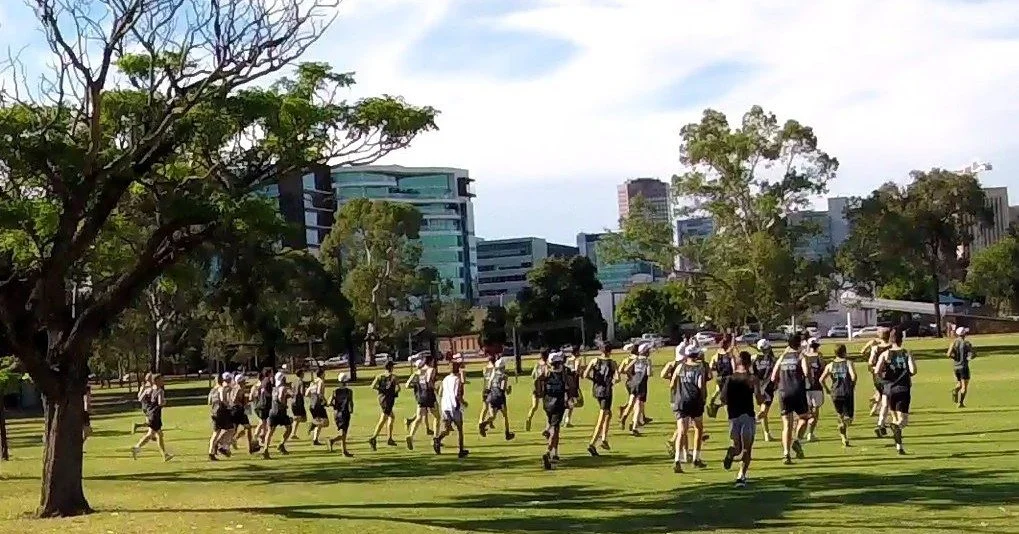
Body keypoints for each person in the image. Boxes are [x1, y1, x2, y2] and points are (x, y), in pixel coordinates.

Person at [720, 351, 764, 487]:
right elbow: (758, 398)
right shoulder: (752, 378)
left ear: (738, 362)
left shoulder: (729, 378)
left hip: (733, 416)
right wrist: (763, 401)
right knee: (747, 449)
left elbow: (723, 398)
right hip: (747, 415)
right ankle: (741, 476)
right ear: (749, 363)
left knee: (737, 448)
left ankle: (731, 453)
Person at [875, 329, 917, 455]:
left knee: (894, 418)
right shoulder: (906, 353)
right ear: (901, 339)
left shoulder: (885, 354)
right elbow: (913, 370)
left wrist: (885, 381)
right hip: (903, 388)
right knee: (902, 421)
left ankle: (899, 446)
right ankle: (896, 429)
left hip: (889, 390)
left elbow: (877, 371)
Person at [769, 333, 808, 465]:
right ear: (799, 344)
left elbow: (773, 377)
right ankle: (797, 440)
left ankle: (786, 454)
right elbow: (807, 372)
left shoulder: (782, 357)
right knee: (804, 417)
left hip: (783, 392)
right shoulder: (800, 356)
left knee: (786, 424)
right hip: (797, 391)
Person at [536, 351, 577, 470]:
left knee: (553, 426)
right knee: (555, 428)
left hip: (547, 402)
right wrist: (570, 398)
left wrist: (540, 392)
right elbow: (571, 386)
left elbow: (538, 380)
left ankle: (555, 453)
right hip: (558, 403)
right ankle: (548, 451)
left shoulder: (546, 372)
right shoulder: (564, 372)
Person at [670, 344, 708, 472]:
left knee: (682, 431)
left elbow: (672, 383)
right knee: (698, 428)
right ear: (696, 355)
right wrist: (703, 399)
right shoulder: (699, 368)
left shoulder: (680, 366)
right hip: (694, 401)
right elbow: (701, 386)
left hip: (681, 401)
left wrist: (677, 394)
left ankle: (677, 460)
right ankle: (696, 458)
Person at [584, 342, 619, 456]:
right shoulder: (612, 363)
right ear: (610, 351)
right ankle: (592, 443)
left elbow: (585, 374)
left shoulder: (594, 361)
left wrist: (594, 380)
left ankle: (604, 439)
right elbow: (617, 378)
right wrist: (611, 382)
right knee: (603, 415)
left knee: (608, 414)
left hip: (596, 390)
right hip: (606, 391)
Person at [820, 344, 856, 447]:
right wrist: (852, 386)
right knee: (849, 418)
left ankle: (843, 436)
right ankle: (843, 424)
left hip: (835, 393)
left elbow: (821, 379)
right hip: (846, 392)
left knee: (840, 414)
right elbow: (853, 377)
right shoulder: (848, 363)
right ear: (844, 352)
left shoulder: (830, 365)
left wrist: (827, 389)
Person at [131, 374, 173, 461]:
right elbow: (160, 403)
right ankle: (136, 447)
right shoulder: (160, 391)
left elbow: (140, 398)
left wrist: (148, 404)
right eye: (161, 380)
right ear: (156, 381)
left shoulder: (148, 390)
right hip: (155, 415)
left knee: (159, 435)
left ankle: (165, 455)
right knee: (151, 434)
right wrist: (165, 402)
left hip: (150, 413)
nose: (163, 381)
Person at [434, 359, 469, 458]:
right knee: (459, 429)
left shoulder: (445, 379)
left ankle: (438, 439)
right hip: (454, 406)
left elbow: (440, 393)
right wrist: (463, 402)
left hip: (445, 405)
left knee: (447, 428)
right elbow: (457, 394)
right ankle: (461, 450)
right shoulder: (457, 380)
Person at [479, 356, 516, 441]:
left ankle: (484, 424)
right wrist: (508, 390)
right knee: (505, 416)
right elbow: (503, 388)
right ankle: (507, 433)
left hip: (492, 396)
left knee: (492, 416)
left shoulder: (493, 374)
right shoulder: (504, 376)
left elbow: (489, 385)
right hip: (500, 397)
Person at [620, 343, 654, 435]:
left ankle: (625, 417)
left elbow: (626, 369)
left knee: (632, 402)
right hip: (642, 384)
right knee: (638, 405)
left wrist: (632, 377)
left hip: (633, 383)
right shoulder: (647, 360)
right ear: (646, 351)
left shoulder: (635, 359)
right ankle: (634, 426)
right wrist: (649, 366)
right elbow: (649, 374)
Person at [406, 356, 438, 449]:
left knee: (419, 418)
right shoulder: (431, 369)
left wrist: (418, 386)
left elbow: (407, 385)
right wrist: (435, 388)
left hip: (420, 397)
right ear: (430, 361)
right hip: (430, 396)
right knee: (437, 417)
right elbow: (429, 382)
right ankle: (435, 439)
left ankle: (411, 436)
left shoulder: (417, 372)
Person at [368, 359, 400, 451]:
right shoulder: (394, 377)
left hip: (381, 398)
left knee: (391, 417)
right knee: (383, 419)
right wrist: (393, 392)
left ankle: (389, 438)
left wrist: (381, 389)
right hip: (388, 400)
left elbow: (373, 386)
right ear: (391, 367)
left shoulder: (379, 376)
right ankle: (373, 438)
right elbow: (398, 388)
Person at [263, 371, 294, 459]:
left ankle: (266, 449)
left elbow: (278, 397)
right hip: (281, 412)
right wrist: (284, 403)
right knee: (289, 428)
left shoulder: (274, 388)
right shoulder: (283, 388)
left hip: (273, 411)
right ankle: (281, 444)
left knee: (270, 431)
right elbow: (281, 398)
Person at [752, 339, 778, 442]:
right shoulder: (772, 359)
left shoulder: (754, 358)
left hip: (757, 387)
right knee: (764, 411)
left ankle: (766, 434)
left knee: (764, 411)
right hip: (768, 387)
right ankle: (754, 419)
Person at [862, 329, 892, 418]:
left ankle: (874, 409)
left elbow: (871, 362)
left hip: (877, 373)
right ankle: (891, 413)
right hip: (890, 373)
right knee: (887, 394)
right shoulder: (892, 347)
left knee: (880, 391)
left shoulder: (875, 348)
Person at [208, 373, 236, 461]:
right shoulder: (221, 388)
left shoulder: (212, 390)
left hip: (214, 412)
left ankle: (211, 452)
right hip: (222, 411)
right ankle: (223, 445)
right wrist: (229, 406)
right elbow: (223, 399)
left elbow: (209, 401)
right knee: (231, 429)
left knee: (216, 432)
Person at [707, 334, 736, 418]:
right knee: (728, 399)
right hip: (728, 379)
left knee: (718, 391)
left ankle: (712, 402)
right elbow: (733, 368)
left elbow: (711, 366)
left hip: (720, 378)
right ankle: (727, 414)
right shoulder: (729, 355)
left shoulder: (716, 356)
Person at [230, 373, 259, 454]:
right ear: (240, 381)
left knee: (235, 430)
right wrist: (242, 404)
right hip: (238, 411)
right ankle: (250, 447)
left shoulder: (235, 387)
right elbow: (234, 400)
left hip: (236, 411)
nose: (245, 381)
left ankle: (228, 443)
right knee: (248, 428)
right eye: (243, 380)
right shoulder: (239, 389)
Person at [803, 337, 826, 442]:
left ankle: (802, 432)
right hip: (816, 386)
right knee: (815, 410)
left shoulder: (803, 356)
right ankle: (810, 433)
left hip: (805, 387)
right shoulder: (819, 356)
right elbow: (823, 368)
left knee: (807, 410)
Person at [328, 372, 355, 456]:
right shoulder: (349, 391)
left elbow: (329, 403)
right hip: (345, 413)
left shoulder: (335, 391)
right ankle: (343, 450)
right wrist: (351, 410)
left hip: (336, 413)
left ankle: (340, 447)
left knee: (343, 432)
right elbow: (351, 403)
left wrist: (334, 405)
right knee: (344, 432)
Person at [947, 326, 974, 408]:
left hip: (956, 367)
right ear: (964, 334)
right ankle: (960, 403)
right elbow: (973, 354)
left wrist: (955, 358)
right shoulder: (967, 343)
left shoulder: (954, 343)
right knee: (964, 386)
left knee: (959, 383)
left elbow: (948, 354)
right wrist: (969, 357)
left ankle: (955, 390)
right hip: (964, 367)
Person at [525, 349, 550, 432]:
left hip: (536, 387)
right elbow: (547, 375)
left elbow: (533, 375)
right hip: (544, 389)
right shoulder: (547, 365)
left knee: (534, 406)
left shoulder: (537, 364)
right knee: (547, 407)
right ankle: (548, 425)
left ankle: (529, 419)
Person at [564, 345, 586, 427]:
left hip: (566, 384)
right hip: (574, 384)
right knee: (577, 402)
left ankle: (566, 419)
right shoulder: (577, 360)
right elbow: (576, 370)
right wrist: (581, 372)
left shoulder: (567, 360)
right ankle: (566, 420)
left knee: (569, 401)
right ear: (576, 352)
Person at [307, 369, 329, 446]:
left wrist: (313, 398)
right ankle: (313, 423)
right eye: (324, 373)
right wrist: (324, 400)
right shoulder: (321, 381)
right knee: (325, 422)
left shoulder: (313, 382)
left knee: (319, 423)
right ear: (322, 374)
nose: (325, 375)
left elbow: (307, 393)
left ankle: (315, 440)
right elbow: (319, 392)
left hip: (312, 404)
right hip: (318, 405)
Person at [253, 368, 274, 446]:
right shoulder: (267, 381)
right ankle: (257, 438)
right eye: (272, 372)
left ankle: (261, 438)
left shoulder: (263, 381)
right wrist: (273, 395)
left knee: (264, 422)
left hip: (262, 403)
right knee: (263, 422)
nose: (273, 373)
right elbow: (267, 392)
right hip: (265, 404)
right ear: (269, 373)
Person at [291, 369, 308, 439]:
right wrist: (306, 389)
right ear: (301, 374)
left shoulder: (293, 382)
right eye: (303, 373)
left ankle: (293, 433)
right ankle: (291, 420)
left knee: (297, 417)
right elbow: (302, 393)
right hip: (299, 402)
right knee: (304, 418)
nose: (304, 374)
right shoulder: (301, 382)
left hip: (293, 402)